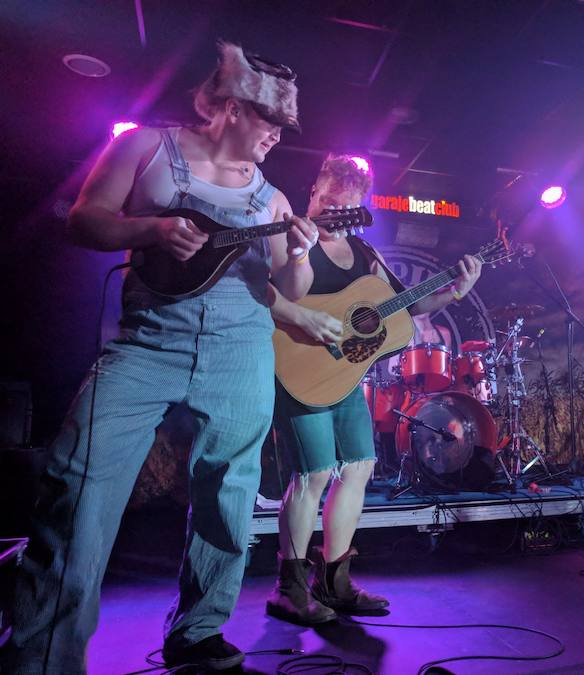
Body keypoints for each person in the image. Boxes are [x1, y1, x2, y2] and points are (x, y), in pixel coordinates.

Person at [1, 42, 322, 672]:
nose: (278, 138)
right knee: (79, 485)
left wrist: (303, 249)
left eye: (286, 128)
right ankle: (42, 656)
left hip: (242, 349)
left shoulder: (276, 199)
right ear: (230, 107)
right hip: (147, 341)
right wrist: (148, 229)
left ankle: (198, 633)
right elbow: (83, 220)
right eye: (270, 122)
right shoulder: (145, 148)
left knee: (230, 496)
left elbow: (291, 289)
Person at [265, 154, 482, 625]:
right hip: (296, 372)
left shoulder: (367, 256)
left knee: (359, 468)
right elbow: (264, 295)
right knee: (312, 476)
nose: (331, 211)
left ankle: (335, 580)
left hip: (344, 378)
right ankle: (290, 588)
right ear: (313, 193)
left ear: (360, 206)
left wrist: (455, 291)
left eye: (345, 205)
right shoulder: (291, 240)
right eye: (326, 200)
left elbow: (404, 306)